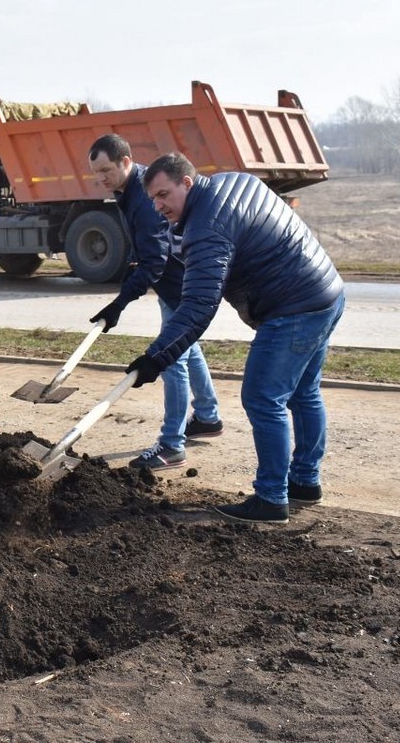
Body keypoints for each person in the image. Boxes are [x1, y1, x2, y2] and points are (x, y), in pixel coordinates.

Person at [128, 152, 345, 524]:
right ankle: (306, 482)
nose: (158, 205)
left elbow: (199, 307)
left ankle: (271, 499)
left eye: (163, 194)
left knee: (262, 398)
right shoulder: (231, 181)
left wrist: (156, 358)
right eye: (152, 199)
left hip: (292, 308)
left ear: (187, 183)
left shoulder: (206, 226)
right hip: (326, 292)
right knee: (304, 392)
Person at [85, 135, 222, 472]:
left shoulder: (143, 197)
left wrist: (121, 302)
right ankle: (207, 416)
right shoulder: (131, 190)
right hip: (173, 285)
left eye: (106, 169)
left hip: (180, 286)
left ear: (125, 162)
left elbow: (155, 262)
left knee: (171, 359)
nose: (101, 178)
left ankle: (171, 447)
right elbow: (144, 244)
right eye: (96, 172)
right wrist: (132, 267)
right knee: (189, 349)